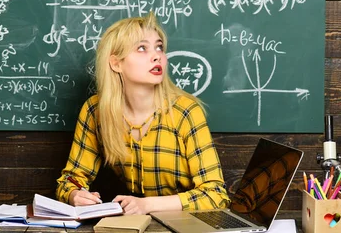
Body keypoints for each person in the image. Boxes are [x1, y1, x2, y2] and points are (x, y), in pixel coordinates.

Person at [55, 13, 230, 214]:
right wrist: (74, 194)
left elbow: (216, 195)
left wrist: (147, 204)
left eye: (159, 47)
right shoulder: (96, 111)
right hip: (134, 222)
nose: (157, 56)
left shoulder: (186, 112)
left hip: (188, 222)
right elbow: (71, 178)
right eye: (141, 48)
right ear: (116, 63)